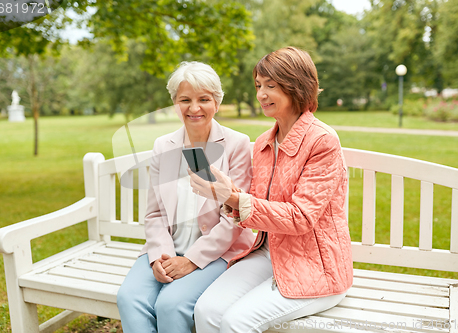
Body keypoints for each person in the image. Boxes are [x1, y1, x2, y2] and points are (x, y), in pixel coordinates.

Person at [190, 47, 353, 333]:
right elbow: (258, 204)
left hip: (315, 265)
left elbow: (300, 217)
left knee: (234, 323)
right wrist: (227, 194)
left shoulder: (322, 141)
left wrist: (234, 197)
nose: (261, 94)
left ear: (296, 86)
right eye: (258, 86)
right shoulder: (265, 142)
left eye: (270, 86)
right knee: (205, 311)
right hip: (268, 251)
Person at [117, 61, 256, 333]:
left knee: (171, 304)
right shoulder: (163, 145)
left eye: (204, 99)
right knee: (129, 298)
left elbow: (234, 219)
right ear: (174, 103)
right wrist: (160, 257)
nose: (194, 108)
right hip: (168, 249)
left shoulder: (237, 144)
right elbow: (155, 213)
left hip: (217, 254)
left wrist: (191, 260)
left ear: (216, 102)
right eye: (185, 100)